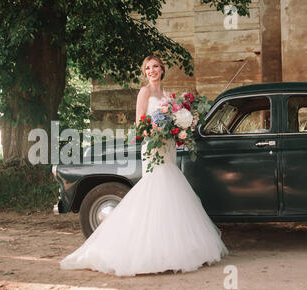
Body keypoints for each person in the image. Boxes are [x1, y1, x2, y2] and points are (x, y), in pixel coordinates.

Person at [60, 55, 228, 277]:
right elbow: (140, 124)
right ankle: (146, 250)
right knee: (155, 188)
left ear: (162, 70)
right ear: (145, 72)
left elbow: (173, 121)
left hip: (167, 146)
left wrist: (177, 130)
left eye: (156, 66)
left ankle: (173, 249)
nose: (152, 70)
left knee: (171, 192)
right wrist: (158, 131)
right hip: (152, 146)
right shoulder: (145, 92)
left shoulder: (167, 96)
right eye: (148, 68)